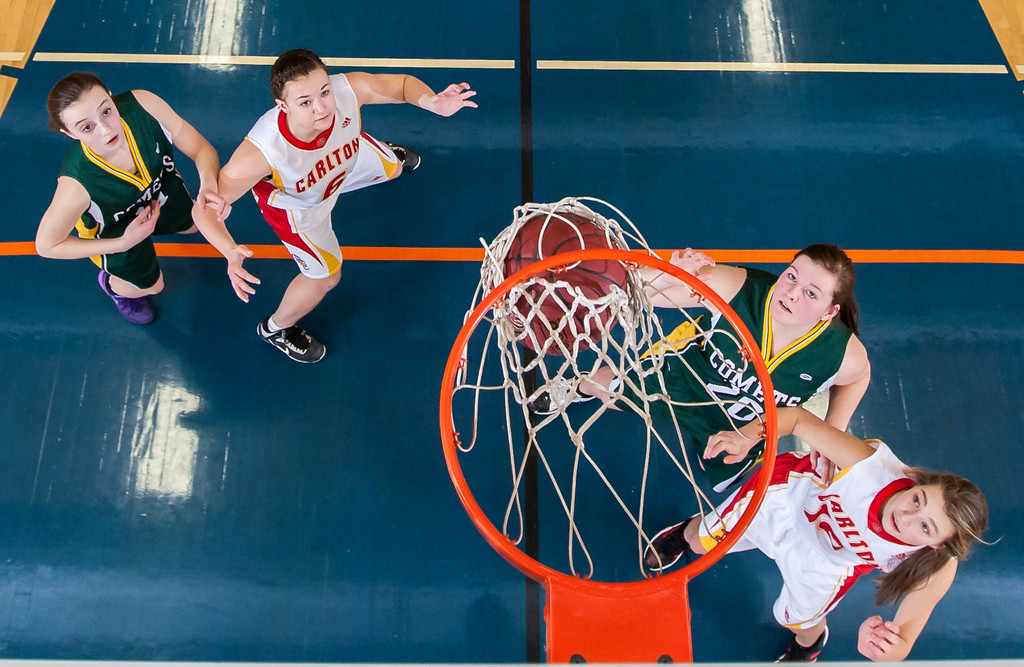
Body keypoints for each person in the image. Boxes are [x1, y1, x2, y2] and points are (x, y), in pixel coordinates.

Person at [192, 48, 477, 363]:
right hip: (302, 206)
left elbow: (402, 85)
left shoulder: (346, 91)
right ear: (282, 106)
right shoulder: (263, 153)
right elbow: (204, 208)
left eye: (324, 92)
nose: (321, 107)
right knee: (326, 277)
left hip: (347, 160)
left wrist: (432, 103)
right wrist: (229, 249)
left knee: (393, 167)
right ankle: (277, 328)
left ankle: (386, 157)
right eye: (305, 102)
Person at [644, 406, 988, 662]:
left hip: (828, 561)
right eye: (918, 499)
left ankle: (809, 646)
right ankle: (685, 534)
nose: (907, 515)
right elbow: (798, 419)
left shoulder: (936, 564)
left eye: (925, 526)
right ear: (919, 484)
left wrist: (883, 646)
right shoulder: (870, 467)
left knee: (802, 622)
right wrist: (746, 435)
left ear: (937, 544)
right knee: (701, 540)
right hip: (786, 499)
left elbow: (901, 645)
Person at [534, 244, 871, 492]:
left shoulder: (841, 355)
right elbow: (637, 292)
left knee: (719, 470)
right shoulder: (736, 288)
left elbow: (859, 378)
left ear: (829, 312)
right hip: (687, 376)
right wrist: (666, 270)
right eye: (791, 276)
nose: (793, 293)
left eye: (811, 293)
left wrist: (831, 433)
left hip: (745, 425)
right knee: (608, 388)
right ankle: (576, 387)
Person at [36, 72, 229, 324]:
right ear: (70, 133)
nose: (105, 129)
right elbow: (47, 245)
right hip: (116, 230)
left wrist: (207, 185)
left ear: (111, 97)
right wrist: (123, 243)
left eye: (106, 111)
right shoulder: (76, 186)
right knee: (154, 286)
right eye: (87, 127)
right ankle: (113, 285)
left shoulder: (144, 106)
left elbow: (201, 148)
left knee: (194, 223)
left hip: (160, 189)